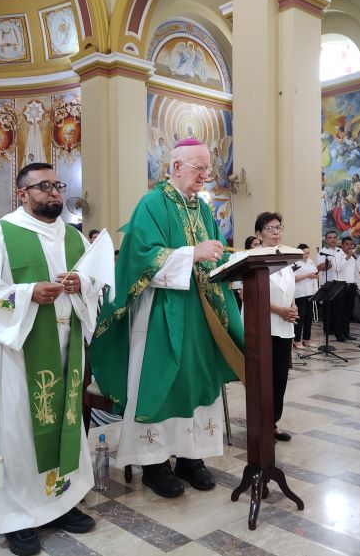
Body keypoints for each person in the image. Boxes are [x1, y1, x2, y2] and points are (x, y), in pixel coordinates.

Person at [90, 137, 243, 499]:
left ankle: (191, 458)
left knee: (196, 382)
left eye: (207, 169)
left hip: (199, 314)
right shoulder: (152, 203)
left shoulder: (201, 208)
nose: (205, 176)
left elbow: (214, 252)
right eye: (199, 168)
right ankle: (155, 464)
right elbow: (141, 256)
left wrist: (234, 262)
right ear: (176, 167)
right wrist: (193, 253)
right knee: (161, 382)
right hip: (161, 312)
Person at [0, 163, 104, 555]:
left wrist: (81, 284)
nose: (54, 192)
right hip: (20, 352)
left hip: (67, 350)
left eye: (57, 184)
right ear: (22, 194)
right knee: (19, 433)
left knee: (65, 424)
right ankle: (18, 518)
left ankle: (61, 503)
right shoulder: (0, 233)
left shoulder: (74, 236)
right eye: (44, 186)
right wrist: (27, 294)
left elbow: (95, 283)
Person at [249, 213, 297, 442]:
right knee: (262, 379)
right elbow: (248, 294)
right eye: (269, 228)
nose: (276, 232)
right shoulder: (251, 258)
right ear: (258, 233)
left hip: (284, 327)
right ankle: (260, 424)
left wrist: (293, 307)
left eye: (278, 227)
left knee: (279, 378)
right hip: (262, 327)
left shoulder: (285, 258)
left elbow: (289, 290)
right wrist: (279, 310)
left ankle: (273, 422)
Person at [316, 230, 341, 337]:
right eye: (330, 238)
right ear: (326, 240)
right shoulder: (322, 252)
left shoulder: (340, 250)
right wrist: (331, 261)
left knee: (338, 308)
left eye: (334, 237)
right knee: (328, 308)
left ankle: (337, 328)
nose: (332, 240)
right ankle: (328, 329)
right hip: (328, 283)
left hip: (339, 283)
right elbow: (320, 267)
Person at [332, 237, 359, 341]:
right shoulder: (337, 255)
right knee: (338, 311)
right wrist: (347, 257)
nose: (349, 246)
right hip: (340, 286)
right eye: (347, 244)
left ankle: (346, 332)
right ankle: (339, 334)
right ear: (342, 245)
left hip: (351, 285)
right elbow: (338, 269)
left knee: (348, 311)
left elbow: (354, 271)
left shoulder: (353, 257)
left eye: (351, 244)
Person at [292, 243, 317, 348]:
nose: (306, 255)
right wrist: (307, 276)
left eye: (308, 253)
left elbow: (315, 272)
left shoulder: (310, 261)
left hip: (310, 293)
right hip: (300, 294)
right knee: (300, 318)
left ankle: (307, 339)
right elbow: (293, 278)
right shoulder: (294, 263)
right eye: (304, 253)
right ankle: (297, 340)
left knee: (308, 318)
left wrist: (315, 276)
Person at [230, 235, 261, 308]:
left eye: (259, 245)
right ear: (248, 245)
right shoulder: (239, 255)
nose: (258, 247)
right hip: (238, 289)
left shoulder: (259, 258)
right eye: (255, 245)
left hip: (253, 289)